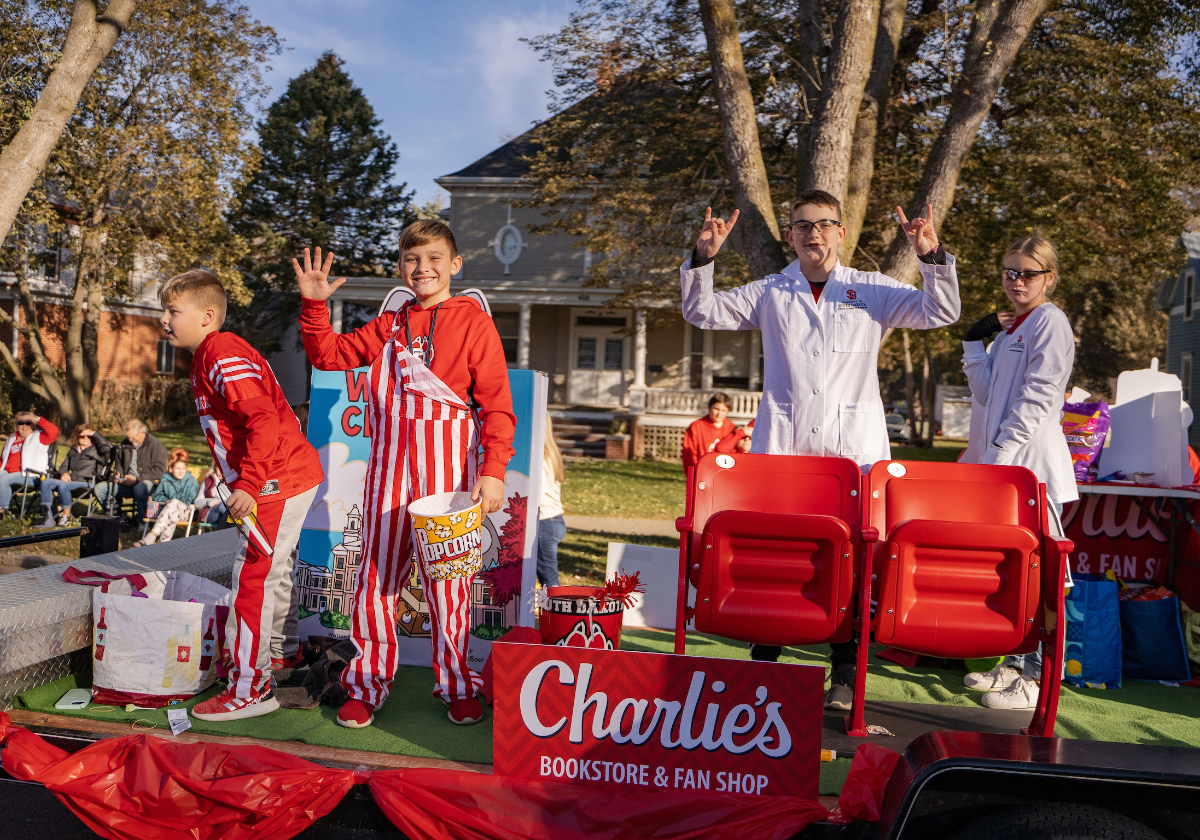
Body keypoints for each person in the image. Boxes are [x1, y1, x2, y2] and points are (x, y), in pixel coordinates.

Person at [680, 189, 961, 711]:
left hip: (852, 458)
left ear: (841, 232)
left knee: (849, 562)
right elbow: (702, 311)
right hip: (784, 453)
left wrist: (930, 256)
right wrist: (704, 259)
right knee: (779, 557)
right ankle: (764, 665)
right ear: (790, 235)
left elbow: (941, 310)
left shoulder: (870, 290)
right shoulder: (771, 292)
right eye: (802, 225)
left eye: (824, 224)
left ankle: (845, 673)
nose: (813, 234)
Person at [296, 220, 516, 729]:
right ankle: (366, 684)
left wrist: (494, 471)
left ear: (455, 265)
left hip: (449, 477)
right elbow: (327, 356)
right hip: (388, 476)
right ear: (401, 266)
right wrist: (314, 304)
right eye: (413, 259)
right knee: (376, 581)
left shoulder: (473, 323)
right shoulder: (390, 323)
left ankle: (458, 682)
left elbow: (497, 407)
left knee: (449, 584)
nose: (424, 268)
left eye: (435, 258)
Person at [158, 268, 325, 722]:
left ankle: (251, 688)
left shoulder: (221, 350)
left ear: (207, 315)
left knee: (252, 580)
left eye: (174, 311)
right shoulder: (211, 353)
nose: (165, 321)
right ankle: (281, 656)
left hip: (275, 479)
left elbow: (264, 421)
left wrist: (248, 483)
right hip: (285, 475)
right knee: (274, 573)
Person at [958, 235, 1076, 711]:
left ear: (1049, 277)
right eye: (1009, 272)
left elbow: (1041, 396)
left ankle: (1041, 675)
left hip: (1030, 470)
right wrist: (973, 340)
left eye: (1027, 273)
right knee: (1014, 572)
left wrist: (1002, 453)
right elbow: (986, 393)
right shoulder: (1011, 330)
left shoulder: (1050, 321)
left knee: (1046, 571)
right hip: (1003, 468)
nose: (1015, 282)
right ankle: (1016, 660)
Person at [93, 419, 168, 529]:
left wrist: (137, 479)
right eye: (128, 437)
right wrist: (118, 474)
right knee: (100, 489)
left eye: (133, 437)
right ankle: (118, 516)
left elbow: (159, 471)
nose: (130, 439)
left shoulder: (156, 445)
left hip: (146, 481)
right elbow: (119, 462)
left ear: (142, 433)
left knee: (140, 488)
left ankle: (142, 521)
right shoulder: (125, 443)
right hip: (125, 481)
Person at [40, 424, 111, 525]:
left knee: (64, 486)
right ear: (77, 437)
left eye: (89, 436)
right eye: (83, 436)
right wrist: (64, 473)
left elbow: (106, 447)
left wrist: (94, 433)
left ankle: (65, 517)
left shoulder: (98, 449)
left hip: (87, 483)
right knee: (46, 482)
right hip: (71, 482)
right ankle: (46, 515)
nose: (86, 438)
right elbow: (64, 466)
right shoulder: (73, 450)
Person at [0, 412, 60, 520]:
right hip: (9, 474)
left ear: (33, 424)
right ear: (16, 425)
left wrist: (36, 418)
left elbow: (54, 432)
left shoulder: (39, 437)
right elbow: (2, 460)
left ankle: (1, 510)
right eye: (21, 423)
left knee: (2, 478)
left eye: (28, 422)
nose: (24, 426)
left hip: (31, 475)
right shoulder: (11, 439)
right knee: (2, 476)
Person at [134, 449, 201, 546]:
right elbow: (156, 495)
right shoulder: (165, 480)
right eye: (178, 468)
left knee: (174, 504)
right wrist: (166, 501)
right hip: (169, 511)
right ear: (171, 468)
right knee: (172, 514)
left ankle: (152, 535)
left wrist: (175, 502)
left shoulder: (191, 481)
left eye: (183, 468)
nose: (181, 471)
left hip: (187, 512)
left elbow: (192, 499)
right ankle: (163, 546)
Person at [538, 414, 566, 588]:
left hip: (543, 521)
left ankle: (561, 614)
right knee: (548, 578)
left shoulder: (539, 458)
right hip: (555, 519)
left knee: (550, 581)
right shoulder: (552, 454)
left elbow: (537, 496)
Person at [681, 393, 745, 468]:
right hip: (702, 471)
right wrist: (694, 473)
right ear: (709, 408)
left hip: (723, 473)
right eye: (716, 409)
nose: (719, 413)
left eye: (723, 410)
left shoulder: (732, 429)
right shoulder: (696, 426)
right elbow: (689, 453)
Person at [197, 458, 227, 527]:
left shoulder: (231, 484)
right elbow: (197, 502)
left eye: (224, 468)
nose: (221, 470)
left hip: (226, 513)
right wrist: (209, 501)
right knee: (224, 506)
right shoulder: (208, 481)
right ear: (215, 467)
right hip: (210, 513)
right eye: (219, 467)